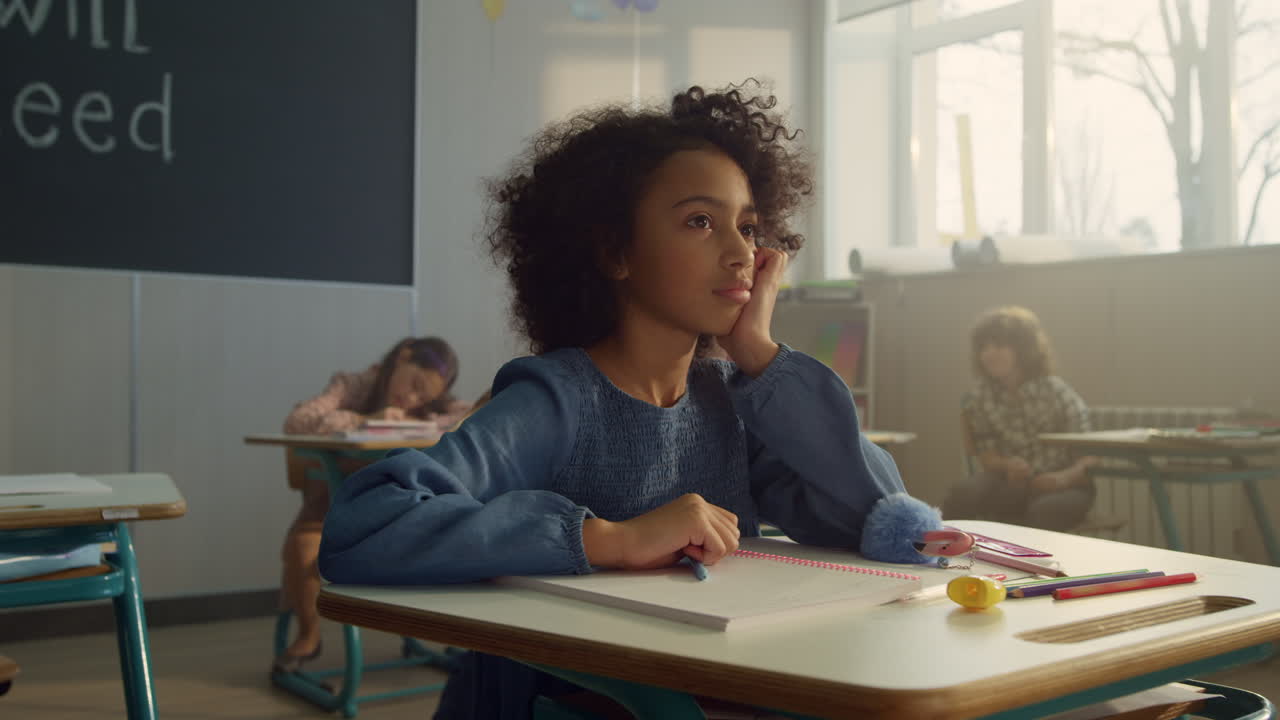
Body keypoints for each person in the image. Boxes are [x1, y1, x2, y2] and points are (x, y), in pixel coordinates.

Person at [318, 81, 913, 719]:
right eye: (701, 222)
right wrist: (607, 539)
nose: (742, 254)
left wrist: (762, 358)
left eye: (747, 226)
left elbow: (880, 521)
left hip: (716, 688)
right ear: (614, 252)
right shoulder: (557, 399)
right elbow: (364, 527)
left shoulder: (731, 404)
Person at [275, 336, 465, 673]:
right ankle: (309, 634)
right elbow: (297, 421)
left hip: (390, 511)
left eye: (424, 395)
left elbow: (467, 417)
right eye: (415, 384)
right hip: (331, 506)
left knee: (452, 536)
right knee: (304, 548)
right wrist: (368, 420)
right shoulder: (352, 385)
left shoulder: (426, 408)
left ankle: (456, 638)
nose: (413, 397)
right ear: (403, 357)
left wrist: (417, 424)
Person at [944, 306, 1098, 531]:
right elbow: (987, 456)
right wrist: (1008, 465)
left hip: (1066, 484)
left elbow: (1090, 456)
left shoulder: (1056, 392)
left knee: (1043, 511)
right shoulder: (980, 397)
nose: (989, 353)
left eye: (999, 345)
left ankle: (1030, 564)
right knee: (962, 493)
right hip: (1011, 482)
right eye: (984, 347)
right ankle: (943, 551)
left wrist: (1061, 478)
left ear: (1024, 349)